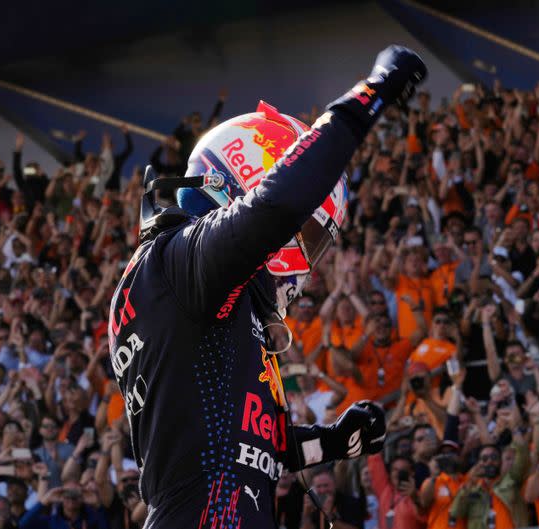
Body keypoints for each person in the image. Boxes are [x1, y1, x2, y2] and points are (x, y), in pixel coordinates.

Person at [107, 46, 426, 529]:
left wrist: (335, 442)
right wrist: (372, 92)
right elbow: (276, 207)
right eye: (310, 233)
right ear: (244, 185)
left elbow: (251, 449)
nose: (307, 260)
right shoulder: (179, 265)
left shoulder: (192, 290)